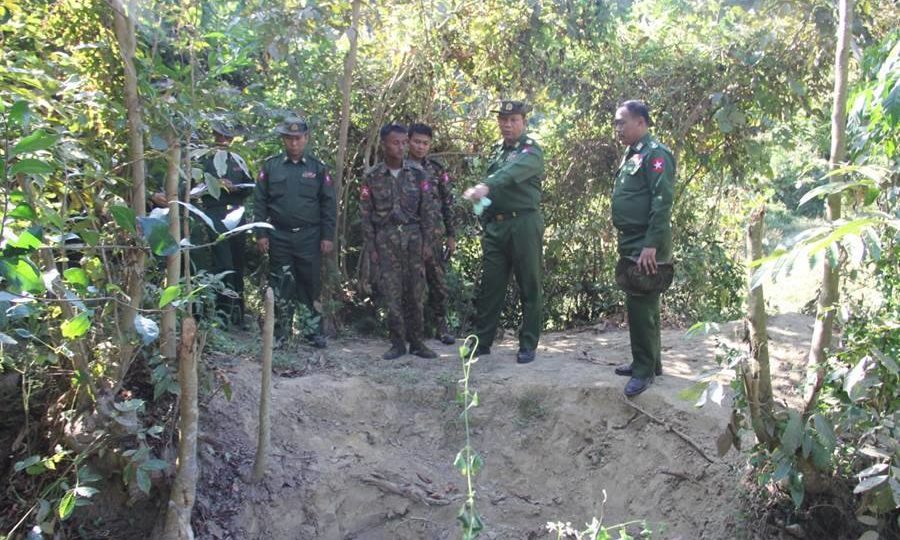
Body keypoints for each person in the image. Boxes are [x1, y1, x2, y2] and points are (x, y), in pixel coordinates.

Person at [463, 100, 545, 364]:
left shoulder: (531, 151)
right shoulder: (497, 151)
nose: (507, 125)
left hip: (523, 223)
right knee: (490, 286)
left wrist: (485, 186)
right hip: (496, 226)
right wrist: (483, 213)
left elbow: (510, 174)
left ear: (524, 122)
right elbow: (495, 186)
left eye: (513, 120)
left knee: (529, 284)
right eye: (503, 119)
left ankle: (528, 343)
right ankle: (482, 342)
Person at [610, 100, 676, 397]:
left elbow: (662, 203)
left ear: (640, 122)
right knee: (641, 302)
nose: (618, 128)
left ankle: (643, 371)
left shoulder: (656, 154)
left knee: (641, 304)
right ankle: (650, 362)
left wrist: (651, 245)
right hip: (631, 238)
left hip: (645, 241)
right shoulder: (632, 153)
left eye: (622, 122)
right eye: (616, 123)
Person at [253, 116, 336, 349]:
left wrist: (327, 236)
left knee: (310, 284)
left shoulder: (317, 168)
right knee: (281, 284)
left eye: (298, 138)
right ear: (283, 140)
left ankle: (313, 332)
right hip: (279, 235)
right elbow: (260, 202)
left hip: (310, 236)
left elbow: (328, 204)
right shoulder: (271, 167)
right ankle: (280, 333)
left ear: (306, 138)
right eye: (289, 138)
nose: (294, 143)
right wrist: (261, 234)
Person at [360, 124, 438, 360]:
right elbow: (365, 215)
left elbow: (428, 210)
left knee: (416, 292)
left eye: (405, 142)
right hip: (386, 239)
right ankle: (397, 343)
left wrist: (427, 243)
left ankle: (417, 342)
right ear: (384, 144)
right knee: (391, 293)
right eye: (396, 142)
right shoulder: (372, 176)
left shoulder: (417, 173)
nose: (401, 147)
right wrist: (371, 247)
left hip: (414, 238)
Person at [407, 123, 456, 345]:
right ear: (408, 141)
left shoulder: (436, 169)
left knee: (437, 282)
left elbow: (447, 203)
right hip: (407, 236)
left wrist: (451, 235)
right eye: (416, 141)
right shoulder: (398, 167)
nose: (420, 146)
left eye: (425, 143)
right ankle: (411, 329)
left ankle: (441, 326)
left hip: (433, 237)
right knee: (410, 283)